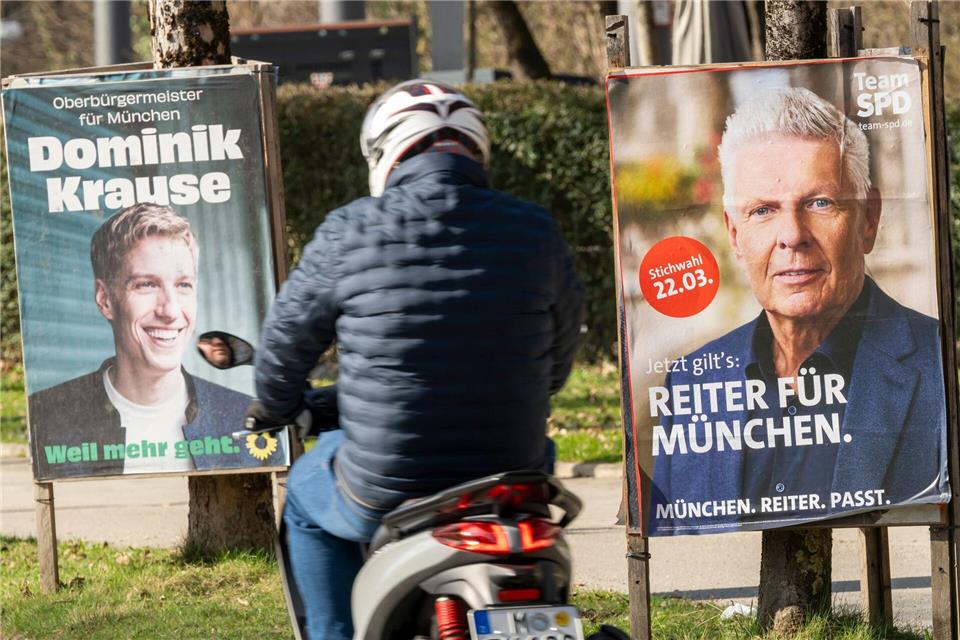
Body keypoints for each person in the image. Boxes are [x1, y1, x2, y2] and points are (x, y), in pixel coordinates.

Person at [248, 79, 585, 639]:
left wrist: (275, 406)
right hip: (513, 475)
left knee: (308, 493)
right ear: (477, 151)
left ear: (385, 152)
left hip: (388, 484)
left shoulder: (348, 231)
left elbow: (282, 350)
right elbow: (558, 358)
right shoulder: (535, 229)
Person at [649, 87, 948, 535]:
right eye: (763, 211)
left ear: (868, 220)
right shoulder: (692, 382)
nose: (792, 235)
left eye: (819, 203)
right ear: (734, 234)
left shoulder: (936, 362)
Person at [28, 203, 286, 479]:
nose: (171, 311)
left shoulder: (247, 419)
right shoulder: (48, 416)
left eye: (183, 285)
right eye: (146, 285)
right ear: (105, 299)